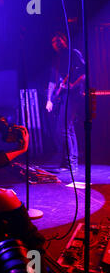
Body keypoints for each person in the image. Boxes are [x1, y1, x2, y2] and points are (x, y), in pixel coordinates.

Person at [45, 32, 84, 173]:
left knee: (64, 128)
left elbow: (85, 72)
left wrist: (73, 84)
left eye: (58, 40)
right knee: (68, 128)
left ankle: (69, 163)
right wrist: (49, 99)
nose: (56, 43)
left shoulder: (73, 53)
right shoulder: (56, 59)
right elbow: (52, 81)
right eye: (53, 41)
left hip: (73, 95)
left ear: (64, 40)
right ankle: (71, 163)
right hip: (63, 96)